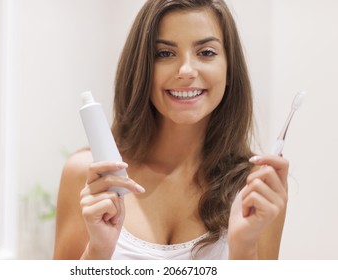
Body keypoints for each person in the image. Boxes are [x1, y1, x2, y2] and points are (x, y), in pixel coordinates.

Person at [53, 0, 288, 260]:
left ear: (229, 69)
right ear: (142, 68)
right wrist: (97, 251)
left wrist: (243, 247)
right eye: (165, 53)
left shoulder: (257, 188)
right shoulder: (88, 176)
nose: (186, 71)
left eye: (206, 52)